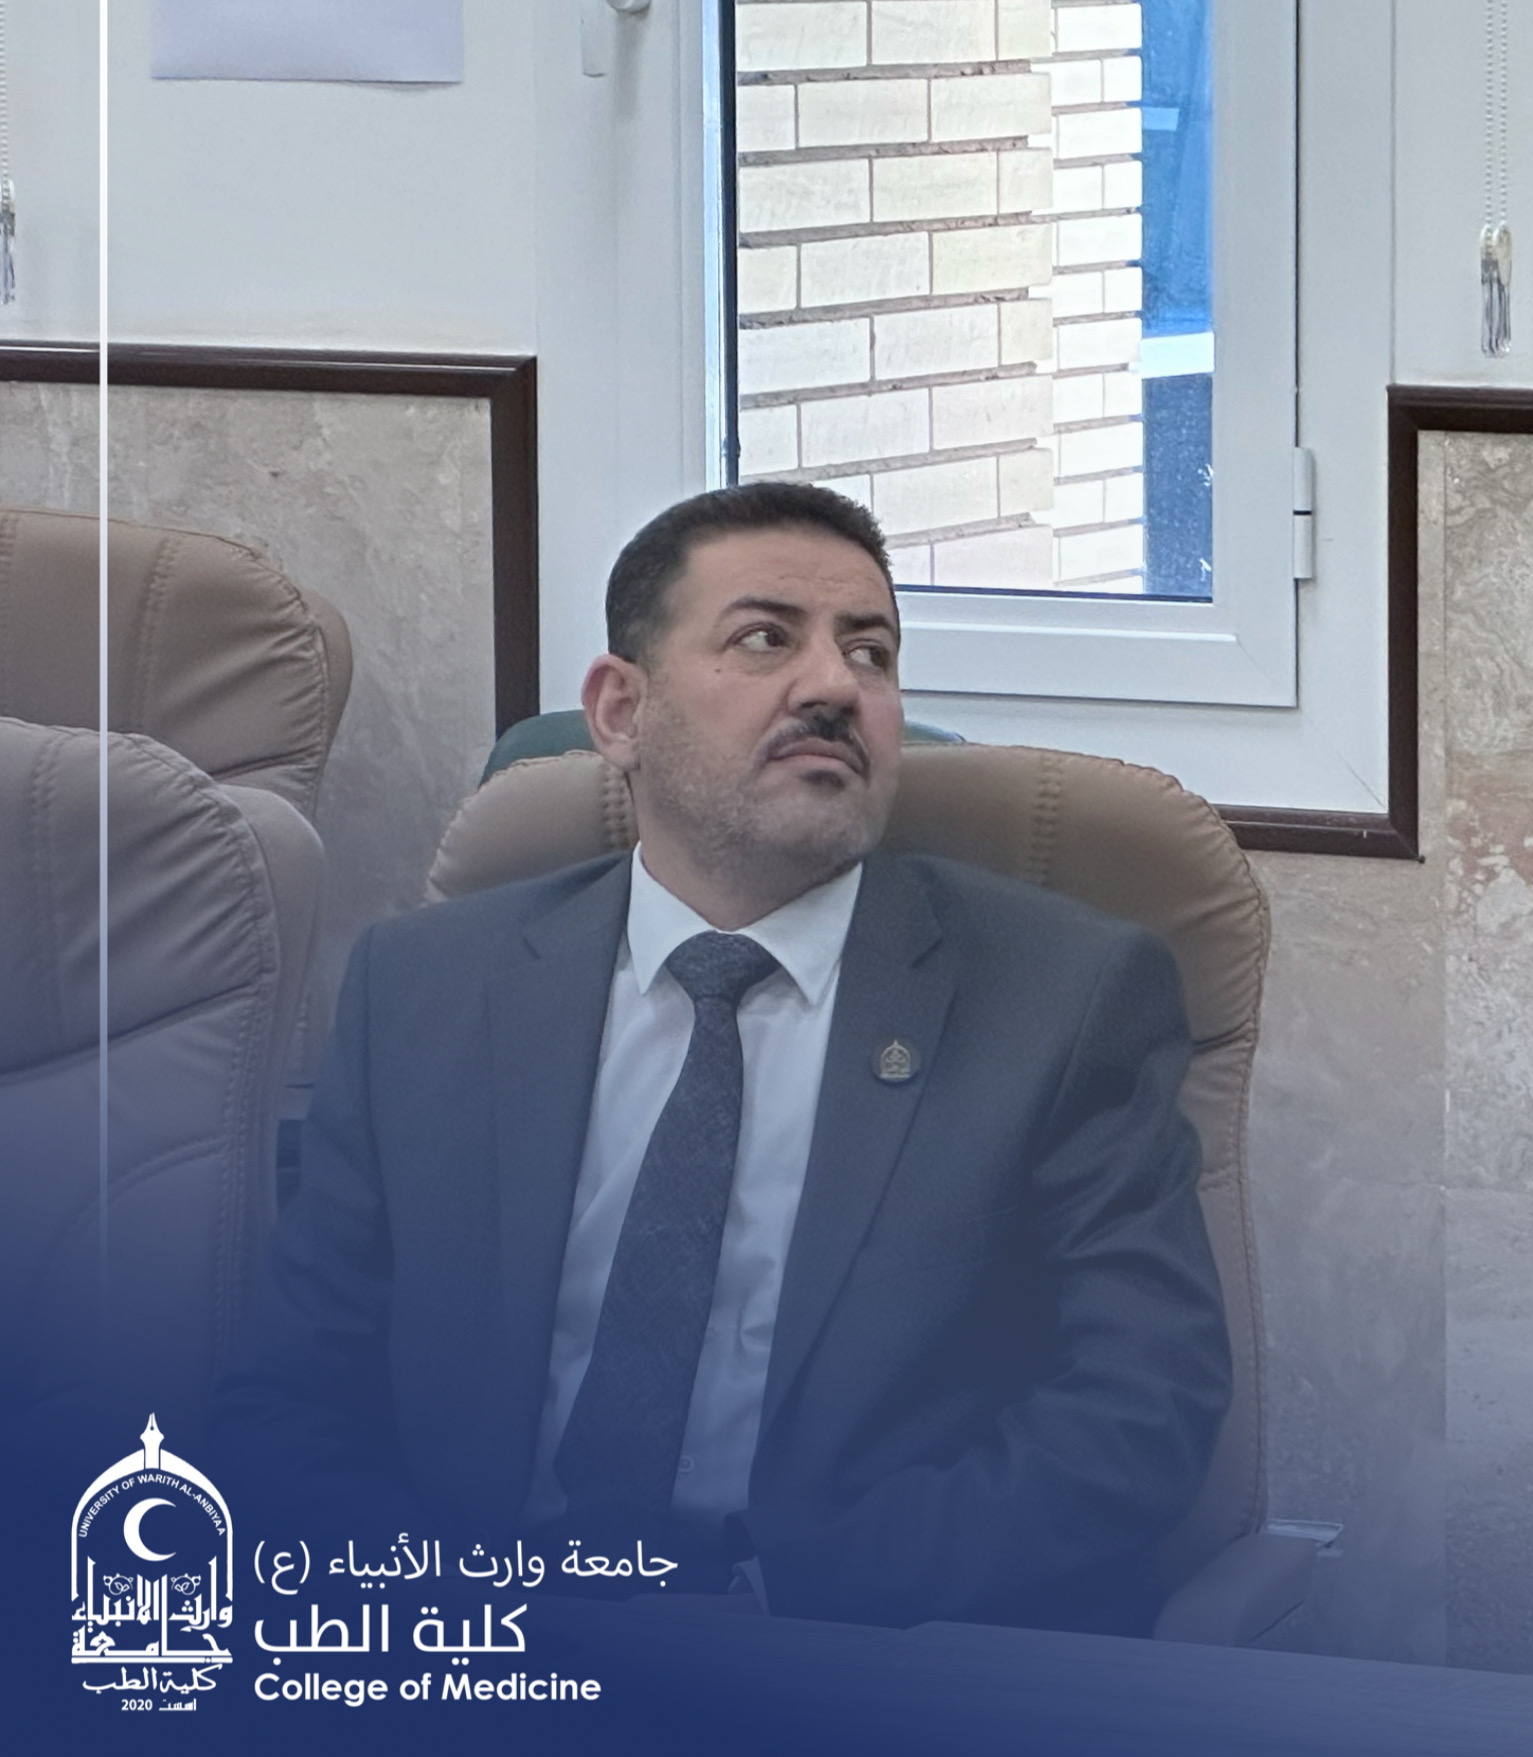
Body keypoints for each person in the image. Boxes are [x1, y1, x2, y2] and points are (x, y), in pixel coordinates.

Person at [214, 482, 1229, 1634]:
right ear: (620, 712)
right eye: (764, 639)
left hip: (857, 1648)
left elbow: (1134, 1416)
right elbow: (292, 1400)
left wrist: (783, 1608)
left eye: (871, 653)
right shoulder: (426, 990)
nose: (835, 685)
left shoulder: (1060, 996)